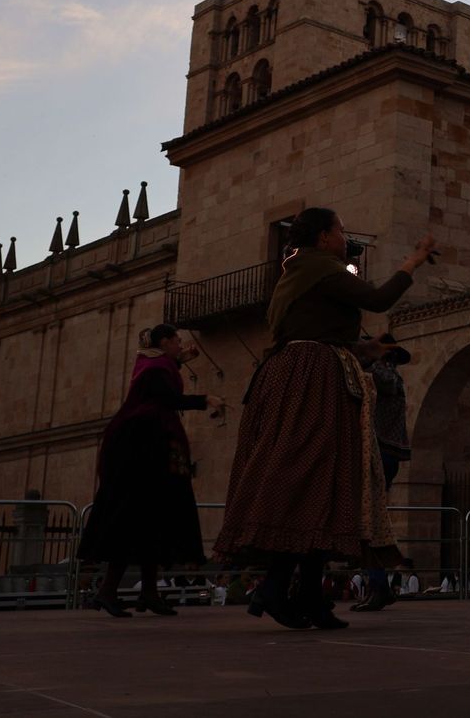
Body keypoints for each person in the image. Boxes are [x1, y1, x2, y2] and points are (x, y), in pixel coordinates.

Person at [213, 207, 437, 630]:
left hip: (293, 374)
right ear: (321, 237)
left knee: (322, 481)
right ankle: (280, 589)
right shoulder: (320, 267)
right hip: (313, 380)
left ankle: (309, 597)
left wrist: (361, 349)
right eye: (338, 230)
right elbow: (378, 299)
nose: (343, 237)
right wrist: (415, 260)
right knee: (316, 476)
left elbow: (315, 329)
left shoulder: (297, 272)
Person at [78, 324, 224, 618]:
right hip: (142, 452)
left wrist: (182, 359)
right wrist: (205, 399)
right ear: (164, 342)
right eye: (176, 341)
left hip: (149, 448)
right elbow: (166, 398)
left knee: (151, 523)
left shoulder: (155, 363)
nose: (180, 344)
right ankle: (108, 592)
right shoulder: (156, 369)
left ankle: (149, 593)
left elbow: (165, 377)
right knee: (135, 519)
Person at [353, 336, 414, 613]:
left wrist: (370, 355)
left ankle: (378, 586)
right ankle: (378, 587)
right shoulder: (382, 377)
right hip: (378, 455)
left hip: (380, 456)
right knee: (366, 521)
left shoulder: (386, 378)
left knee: (369, 521)